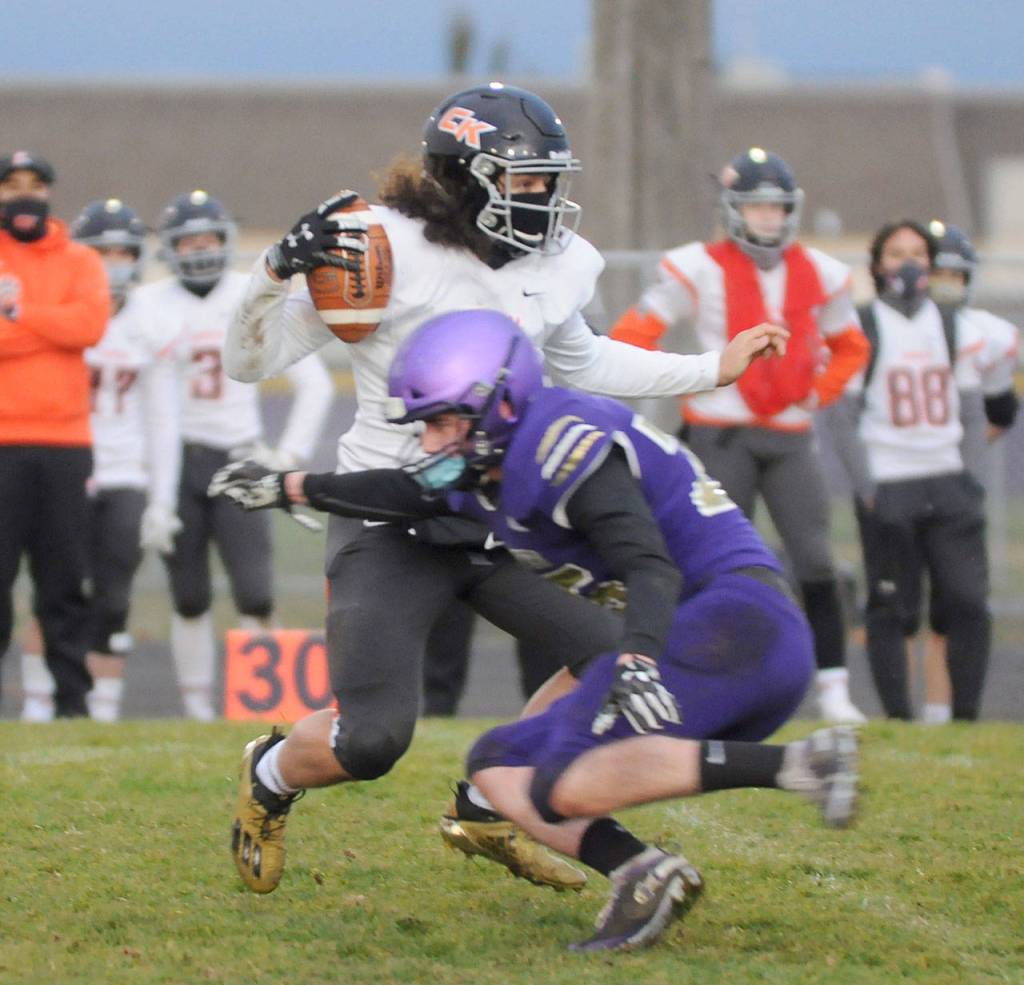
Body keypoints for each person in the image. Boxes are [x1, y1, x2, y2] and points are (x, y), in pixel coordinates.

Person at [219, 82, 789, 894]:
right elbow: (251, 361)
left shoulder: (555, 263)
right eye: (527, 181)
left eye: (550, 180)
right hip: (387, 516)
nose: (547, 200)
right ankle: (270, 772)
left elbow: (581, 360)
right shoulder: (380, 249)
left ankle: (491, 794)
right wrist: (270, 273)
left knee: (616, 666)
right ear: (463, 176)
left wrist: (708, 367)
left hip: (489, 518)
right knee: (372, 740)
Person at [210, 309, 858, 952]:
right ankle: (643, 855)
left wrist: (636, 658)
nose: (431, 441)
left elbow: (648, 563)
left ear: (500, 404)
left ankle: (791, 771)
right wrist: (289, 486)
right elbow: (405, 492)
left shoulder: (560, 443)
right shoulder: (499, 457)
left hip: (726, 626)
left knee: (538, 773)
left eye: (442, 421)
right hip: (738, 633)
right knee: (502, 763)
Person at [609, 147, 871, 725]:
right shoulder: (699, 266)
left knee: (816, 562)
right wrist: (679, 375)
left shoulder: (823, 274)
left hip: (788, 435)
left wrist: (820, 391)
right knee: (709, 562)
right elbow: (635, 331)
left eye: (777, 208)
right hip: (719, 433)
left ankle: (832, 687)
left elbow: (852, 346)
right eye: (756, 207)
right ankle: (687, 675)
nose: (768, 219)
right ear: (734, 210)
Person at [134, 190, 333, 720]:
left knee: (255, 591)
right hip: (178, 462)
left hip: (240, 460)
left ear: (225, 242)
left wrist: (286, 454)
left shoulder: (250, 296)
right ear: (170, 248)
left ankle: (261, 704)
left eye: (208, 239)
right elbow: (142, 400)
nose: (199, 250)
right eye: (188, 241)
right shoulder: (150, 305)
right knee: (190, 595)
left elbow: (314, 384)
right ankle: (197, 710)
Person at [826, 219, 1004, 721]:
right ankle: (900, 719)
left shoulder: (953, 324)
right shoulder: (862, 326)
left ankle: (965, 717)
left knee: (967, 601)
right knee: (891, 608)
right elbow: (842, 414)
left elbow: (972, 410)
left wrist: (971, 481)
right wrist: (867, 486)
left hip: (947, 480)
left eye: (918, 253)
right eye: (897, 252)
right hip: (890, 481)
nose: (908, 262)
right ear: (877, 264)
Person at [19, 198, 182, 722]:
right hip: (64, 459)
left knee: (112, 600)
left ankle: (102, 712)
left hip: (123, 472)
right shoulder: (61, 312)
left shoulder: (151, 318)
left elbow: (162, 418)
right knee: (56, 589)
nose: (113, 262)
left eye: (123, 251)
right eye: (102, 252)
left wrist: (162, 498)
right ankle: (42, 704)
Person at [0, 151, 110, 718]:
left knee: (63, 580)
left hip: (66, 443)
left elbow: (88, 326)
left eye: (34, 185)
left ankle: (73, 702)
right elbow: (65, 327)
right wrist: (50, 323)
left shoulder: (81, 259)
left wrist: (18, 314)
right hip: (2, 442)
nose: (23, 195)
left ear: (49, 193)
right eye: (11, 185)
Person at [906, 221, 1019, 723]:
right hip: (901, 479)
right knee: (906, 603)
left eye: (956, 271)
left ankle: (952, 714)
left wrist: (957, 453)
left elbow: (1001, 414)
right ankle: (916, 713)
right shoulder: (890, 326)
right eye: (939, 270)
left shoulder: (990, 336)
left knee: (959, 603)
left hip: (954, 482)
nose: (948, 278)